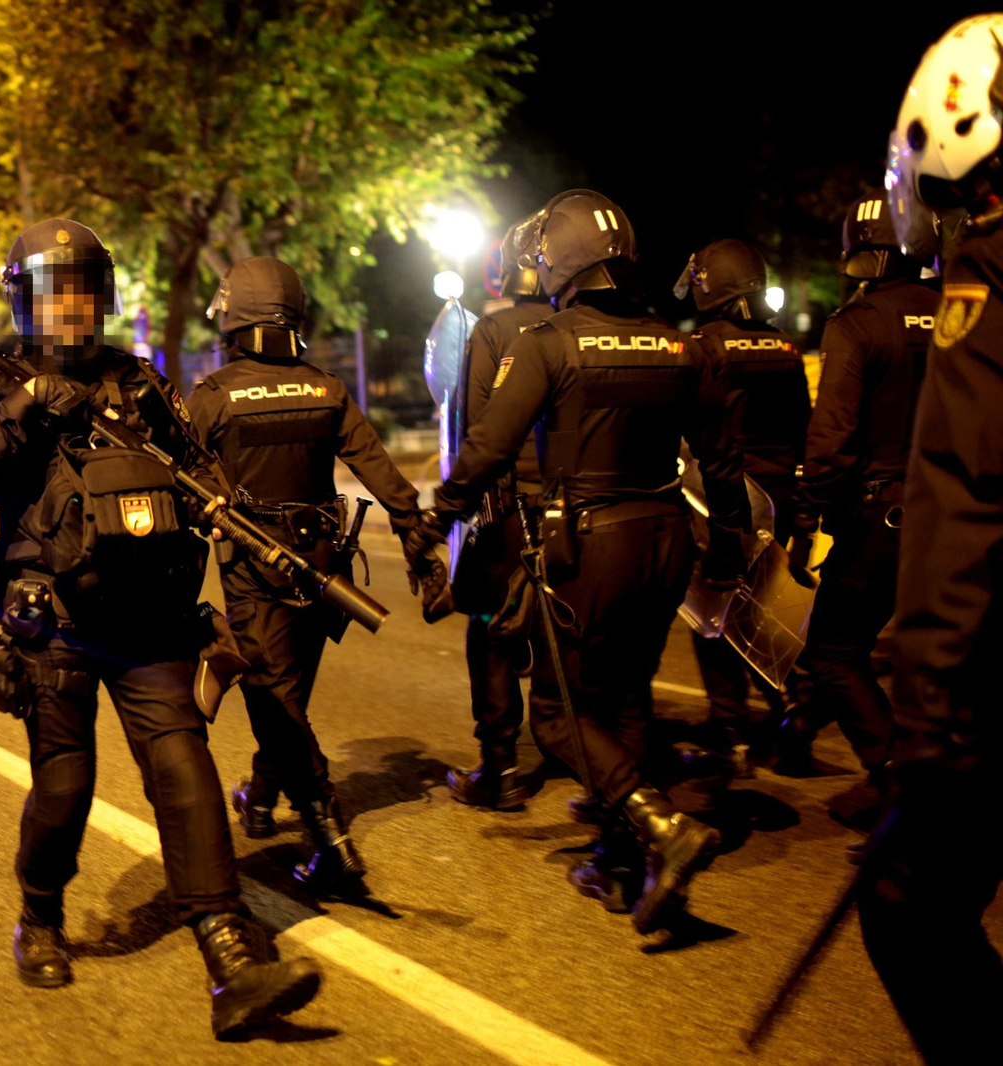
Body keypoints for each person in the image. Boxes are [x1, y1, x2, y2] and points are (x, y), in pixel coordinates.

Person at [0, 218, 321, 1039]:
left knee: (186, 773)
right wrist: (26, 404)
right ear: (26, 301)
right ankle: (40, 917)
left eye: (84, 292)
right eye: (55, 294)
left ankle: (229, 954)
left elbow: (197, 467)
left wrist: (225, 511)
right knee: (64, 786)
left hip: (149, 620)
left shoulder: (138, 381)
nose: (71, 308)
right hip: (55, 625)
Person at [404, 190, 749, 933]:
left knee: (560, 716)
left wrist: (436, 521)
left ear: (557, 262)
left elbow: (488, 447)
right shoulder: (679, 345)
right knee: (627, 699)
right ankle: (621, 864)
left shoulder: (548, 342)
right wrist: (728, 546)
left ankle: (658, 825)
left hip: (592, 545)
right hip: (666, 542)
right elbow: (721, 462)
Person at [858, 19, 1003, 1062]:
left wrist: (924, 727)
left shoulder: (986, 276)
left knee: (907, 908)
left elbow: (964, 493)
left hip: (987, 689)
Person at [186, 256, 421, 894]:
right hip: (322, 565)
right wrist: (416, 531)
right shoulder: (326, 389)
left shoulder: (212, 398)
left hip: (256, 572)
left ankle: (330, 837)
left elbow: (179, 484)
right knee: (288, 694)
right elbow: (377, 466)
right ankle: (262, 798)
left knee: (276, 698)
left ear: (234, 318)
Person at [774, 193, 939, 783]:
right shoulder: (965, 312)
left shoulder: (858, 323)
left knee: (835, 650)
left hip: (882, 518)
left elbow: (833, 434)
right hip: (956, 513)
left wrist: (805, 518)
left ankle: (897, 778)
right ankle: (796, 730)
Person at [674, 239, 811, 775]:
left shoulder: (703, 347)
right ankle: (791, 708)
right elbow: (802, 426)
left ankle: (728, 729)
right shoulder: (786, 348)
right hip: (779, 494)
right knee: (768, 605)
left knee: (713, 611)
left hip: (724, 495)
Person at [440, 215, 554, 811]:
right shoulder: (576, 325)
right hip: (575, 506)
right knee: (564, 631)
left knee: (490, 631)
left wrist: (454, 507)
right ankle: (575, 751)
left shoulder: (493, 328)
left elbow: (477, 424)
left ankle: (501, 768)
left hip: (510, 508)